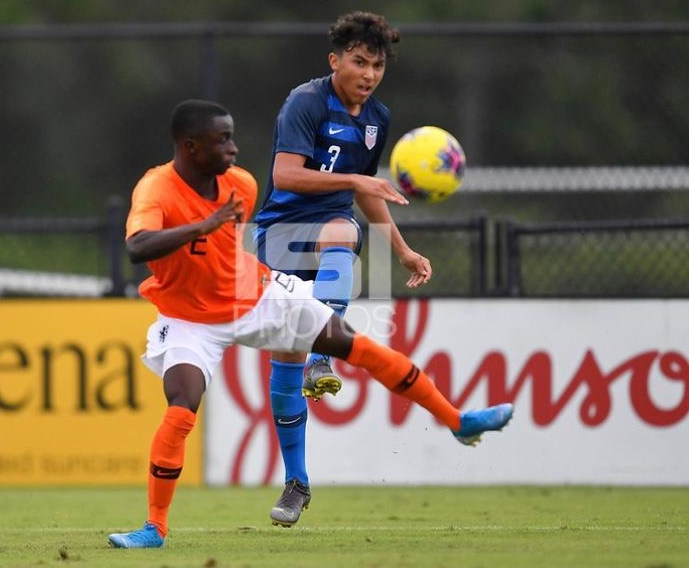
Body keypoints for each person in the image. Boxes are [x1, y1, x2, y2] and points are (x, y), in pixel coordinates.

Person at [107, 99, 513, 549]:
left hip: (256, 297)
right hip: (188, 318)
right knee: (182, 406)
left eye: (232, 137)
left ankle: (458, 421)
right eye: (222, 140)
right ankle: (155, 529)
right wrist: (201, 226)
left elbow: (223, 258)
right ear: (190, 146)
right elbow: (138, 247)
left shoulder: (240, 184)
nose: (234, 149)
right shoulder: (156, 188)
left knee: (359, 348)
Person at [253, 11, 433, 526]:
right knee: (285, 359)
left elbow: (367, 192)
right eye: (359, 62)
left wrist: (402, 250)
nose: (369, 73)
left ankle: (321, 358)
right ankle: (297, 482)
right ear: (335, 61)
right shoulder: (306, 102)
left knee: (342, 231)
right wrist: (356, 182)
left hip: (330, 229)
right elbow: (287, 174)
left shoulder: (378, 118)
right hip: (281, 234)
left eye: (377, 65)